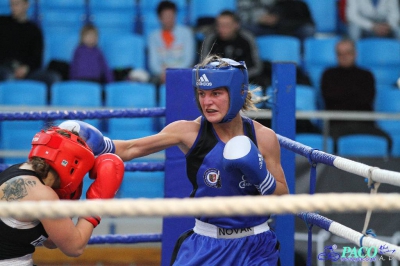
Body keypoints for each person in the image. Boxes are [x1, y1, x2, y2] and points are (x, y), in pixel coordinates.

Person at [59, 55, 289, 265]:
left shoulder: (263, 138)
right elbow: (131, 148)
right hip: (207, 244)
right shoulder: (188, 132)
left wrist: (260, 176)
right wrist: (94, 144)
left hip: (256, 247)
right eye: (202, 94)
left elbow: (284, 199)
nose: (207, 102)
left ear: (237, 92)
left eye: (216, 93)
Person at [0, 126, 124, 265]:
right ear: (73, 164)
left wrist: (67, 201)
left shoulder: (17, 170)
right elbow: (75, 247)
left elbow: (52, 241)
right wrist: (96, 205)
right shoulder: (41, 194)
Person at [321, 39, 393, 153]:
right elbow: (329, 98)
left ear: (355, 53)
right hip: (337, 125)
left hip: (364, 124)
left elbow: (367, 99)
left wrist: (342, 95)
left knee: (387, 139)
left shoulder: (366, 75)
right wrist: (353, 94)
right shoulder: (328, 74)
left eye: (348, 53)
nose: (344, 57)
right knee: (329, 143)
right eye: (340, 54)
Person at [0, 0, 61, 90]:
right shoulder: (2, 23)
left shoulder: (34, 30)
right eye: (11, 5)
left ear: (26, 5)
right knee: (9, 77)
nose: (13, 7)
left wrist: (26, 68)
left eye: (17, 4)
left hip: (27, 71)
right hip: (4, 68)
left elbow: (37, 58)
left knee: (53, 78)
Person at [202, 10, 264, 86]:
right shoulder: (210, 39)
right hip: (216, 79)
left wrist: (238, 75)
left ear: (236, 25)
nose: (222, 29)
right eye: (219, 25)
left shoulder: (247, 39)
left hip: (244, 78)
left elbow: (256, 67)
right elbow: (204, 65)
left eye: (226, 25)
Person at [148, 0, 195, 85]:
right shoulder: (153, 36)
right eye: (165, 16)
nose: (169, 19)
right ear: (159, 18)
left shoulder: (186, 33)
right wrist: (164, 73)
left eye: (171, 16)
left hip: (182, 74)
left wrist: (172, 73)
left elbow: (188, 60)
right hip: (161, 77)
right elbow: (153, 63)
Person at [237, 0, 315, 41]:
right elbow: (242, 16)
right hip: (260, 26)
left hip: (282, 25)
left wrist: (276, 17)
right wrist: (259, 19)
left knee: (307, 30)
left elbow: (286, 7)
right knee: (242, 27)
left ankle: (301, 55)